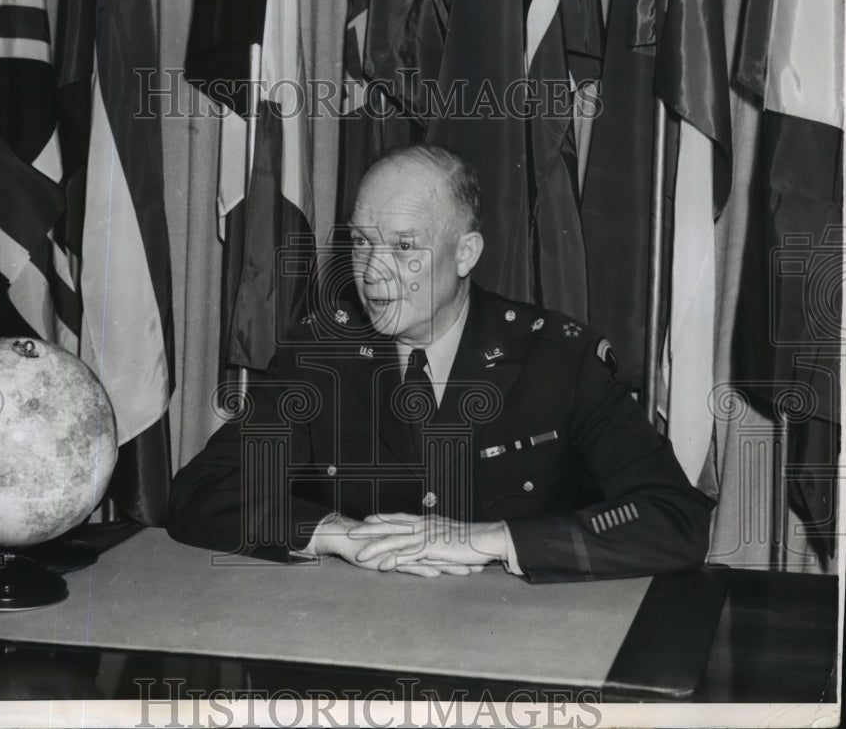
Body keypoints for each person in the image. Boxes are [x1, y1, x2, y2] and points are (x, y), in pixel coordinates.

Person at [167, 144, 714, 582]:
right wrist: (337, 533)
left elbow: (675, 518)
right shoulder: (320, 357)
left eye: (405, 248)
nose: (373, 273)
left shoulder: (560, 362)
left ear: (465, 254)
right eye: (361, 243)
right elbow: (203, 491)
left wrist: (492, 539)